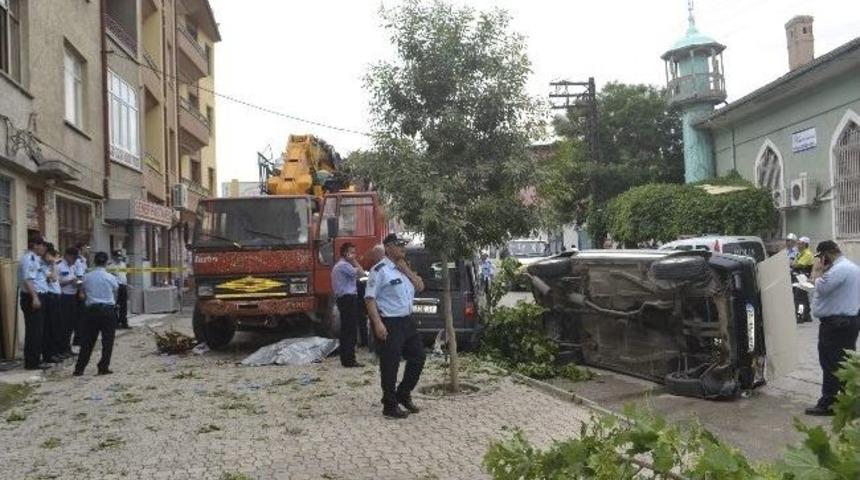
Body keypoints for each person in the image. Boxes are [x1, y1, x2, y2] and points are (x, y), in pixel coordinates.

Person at [365, 233, 425, 419]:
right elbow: (369, 298)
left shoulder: (404, 268)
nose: (403, 248)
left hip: (407, 321)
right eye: (399, 245)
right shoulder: (379, 270)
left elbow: (420, 286)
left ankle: (403, 394)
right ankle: (389, 405)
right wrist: (377, 323)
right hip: (389, 322)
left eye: (404, 245)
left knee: (418, 357)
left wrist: (406, 271)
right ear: (388, 248)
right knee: (390, 365)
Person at [805, 240, 860, 416]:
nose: (820, 260)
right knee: (842, 364)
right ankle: (846, 401)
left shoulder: (840, 269)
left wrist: (818, 270)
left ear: (826, 255)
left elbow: (821, 288)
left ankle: (828, 403)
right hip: (844, 323)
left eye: (821, 257)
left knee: (831, 364)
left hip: (837, 325)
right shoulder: (848, 267)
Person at [74, 251, 119, 376]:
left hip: (91, 310)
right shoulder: (110, 277)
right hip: (107, 310)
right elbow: (116, 289)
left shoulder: (87, 276)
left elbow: (80, 286)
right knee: (108, 341)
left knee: (87, 341)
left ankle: (79, 368)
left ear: (94, 261)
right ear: (106, 262)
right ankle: (103, 367)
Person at [18, 237, 51, 370]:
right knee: (34, 331)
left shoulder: (37, 259)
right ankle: (32, 362)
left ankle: (36, 359)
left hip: (39, 296)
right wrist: (35, 298)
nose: (45, 249)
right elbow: (28, 280)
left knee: (39, 331)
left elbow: (44, 277)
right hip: (32, 297)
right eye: (43, 246)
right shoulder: (29, 259)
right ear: (36, 245)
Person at [331, 242, 366, 368]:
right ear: (345, 253)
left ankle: (346, 358)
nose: (354, 255)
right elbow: (361, 273)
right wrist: (354, 261)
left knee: (347, 329)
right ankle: (349, 359)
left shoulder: (341, 266)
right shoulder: (344, 266)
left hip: (345, 299)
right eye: (352, 252)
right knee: (350, 330)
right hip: (347, 299)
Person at [42, 244, 64, 363]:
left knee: (56, 326)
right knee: (50, 327)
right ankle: (49, 354)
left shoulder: (51, 265)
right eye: (51, 255)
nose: (53, 258)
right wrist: (53, 264)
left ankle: (55, 352)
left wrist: (53, 264)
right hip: (50, 297)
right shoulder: (44, 267)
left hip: (56, 296)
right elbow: (53, 278)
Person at [57, 247, 81, 357]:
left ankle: (67, 348)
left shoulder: (71, 267)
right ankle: (61, 349)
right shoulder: (59, 266)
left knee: (71, 324)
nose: (75, 260)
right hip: (63, 297)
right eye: (74, 257)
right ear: (67, 255)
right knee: (63, 324)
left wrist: (78, 282)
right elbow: (56, 284)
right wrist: (71, 281)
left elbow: (75, 279)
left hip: (72, 297)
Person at [791, 237, 814, 324]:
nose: (798, 245)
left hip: (803, 276)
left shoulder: (807, 254)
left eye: (800, 243)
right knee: (803, 297)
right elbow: (794, 264)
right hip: (798, 276)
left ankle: (800, 316)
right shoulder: (799, 253)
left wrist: (793, 264)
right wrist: (793, 264)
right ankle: (807, 316)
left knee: (799, 298)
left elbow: (797, 265)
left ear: (804, 244)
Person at [108, 250, 129, 329]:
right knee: (115, 305)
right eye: (117, 257)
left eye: (120, 257)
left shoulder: (123, 264)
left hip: (123, 286)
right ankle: (115, 323)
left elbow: (124, 275)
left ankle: (124, 322)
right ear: (113, 257)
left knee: (124, 305)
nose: (119, 259)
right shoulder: (110, 265)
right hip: (114, 287)